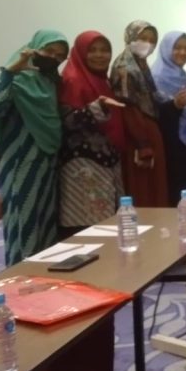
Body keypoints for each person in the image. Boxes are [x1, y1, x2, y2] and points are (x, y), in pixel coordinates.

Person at [0, 30, 68, 264]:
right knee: (23, 226)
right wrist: (11, 71)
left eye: (60, 55)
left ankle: (42, 279)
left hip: (46, 164)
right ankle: (20, 278)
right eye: (48, 51)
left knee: (45, 228)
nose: (53, 58)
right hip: (20, 165)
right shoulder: (17, 81)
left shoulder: (50, 82)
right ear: (34, 49)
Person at [58, 31, 125, 238]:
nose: (99, 55)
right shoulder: (72, 80)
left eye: (104, 50)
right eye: (92, 50)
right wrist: (96, 108)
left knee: (108, 228)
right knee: (86, 231)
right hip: (82, 167)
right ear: (80, 53)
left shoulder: (102, 80)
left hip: (106, 163)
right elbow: (66, 122)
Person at [110, 21, 169, 208]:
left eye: (152, 40)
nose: (147, 44)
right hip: (137, 134)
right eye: (143, 38)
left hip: (147, 129)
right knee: (142, 187)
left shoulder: (140, 64)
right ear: (131, 37)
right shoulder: (125, 67)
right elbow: (127, 107)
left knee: (153, 185)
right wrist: (143, 144)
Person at [151, 31, 186, 203]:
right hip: (169, 142)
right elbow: (154, 112)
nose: (183, 52)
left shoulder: (181, 74)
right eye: (177, 48)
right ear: (166, 48)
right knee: (175, 192)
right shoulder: (158, 76)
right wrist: (175, 106)